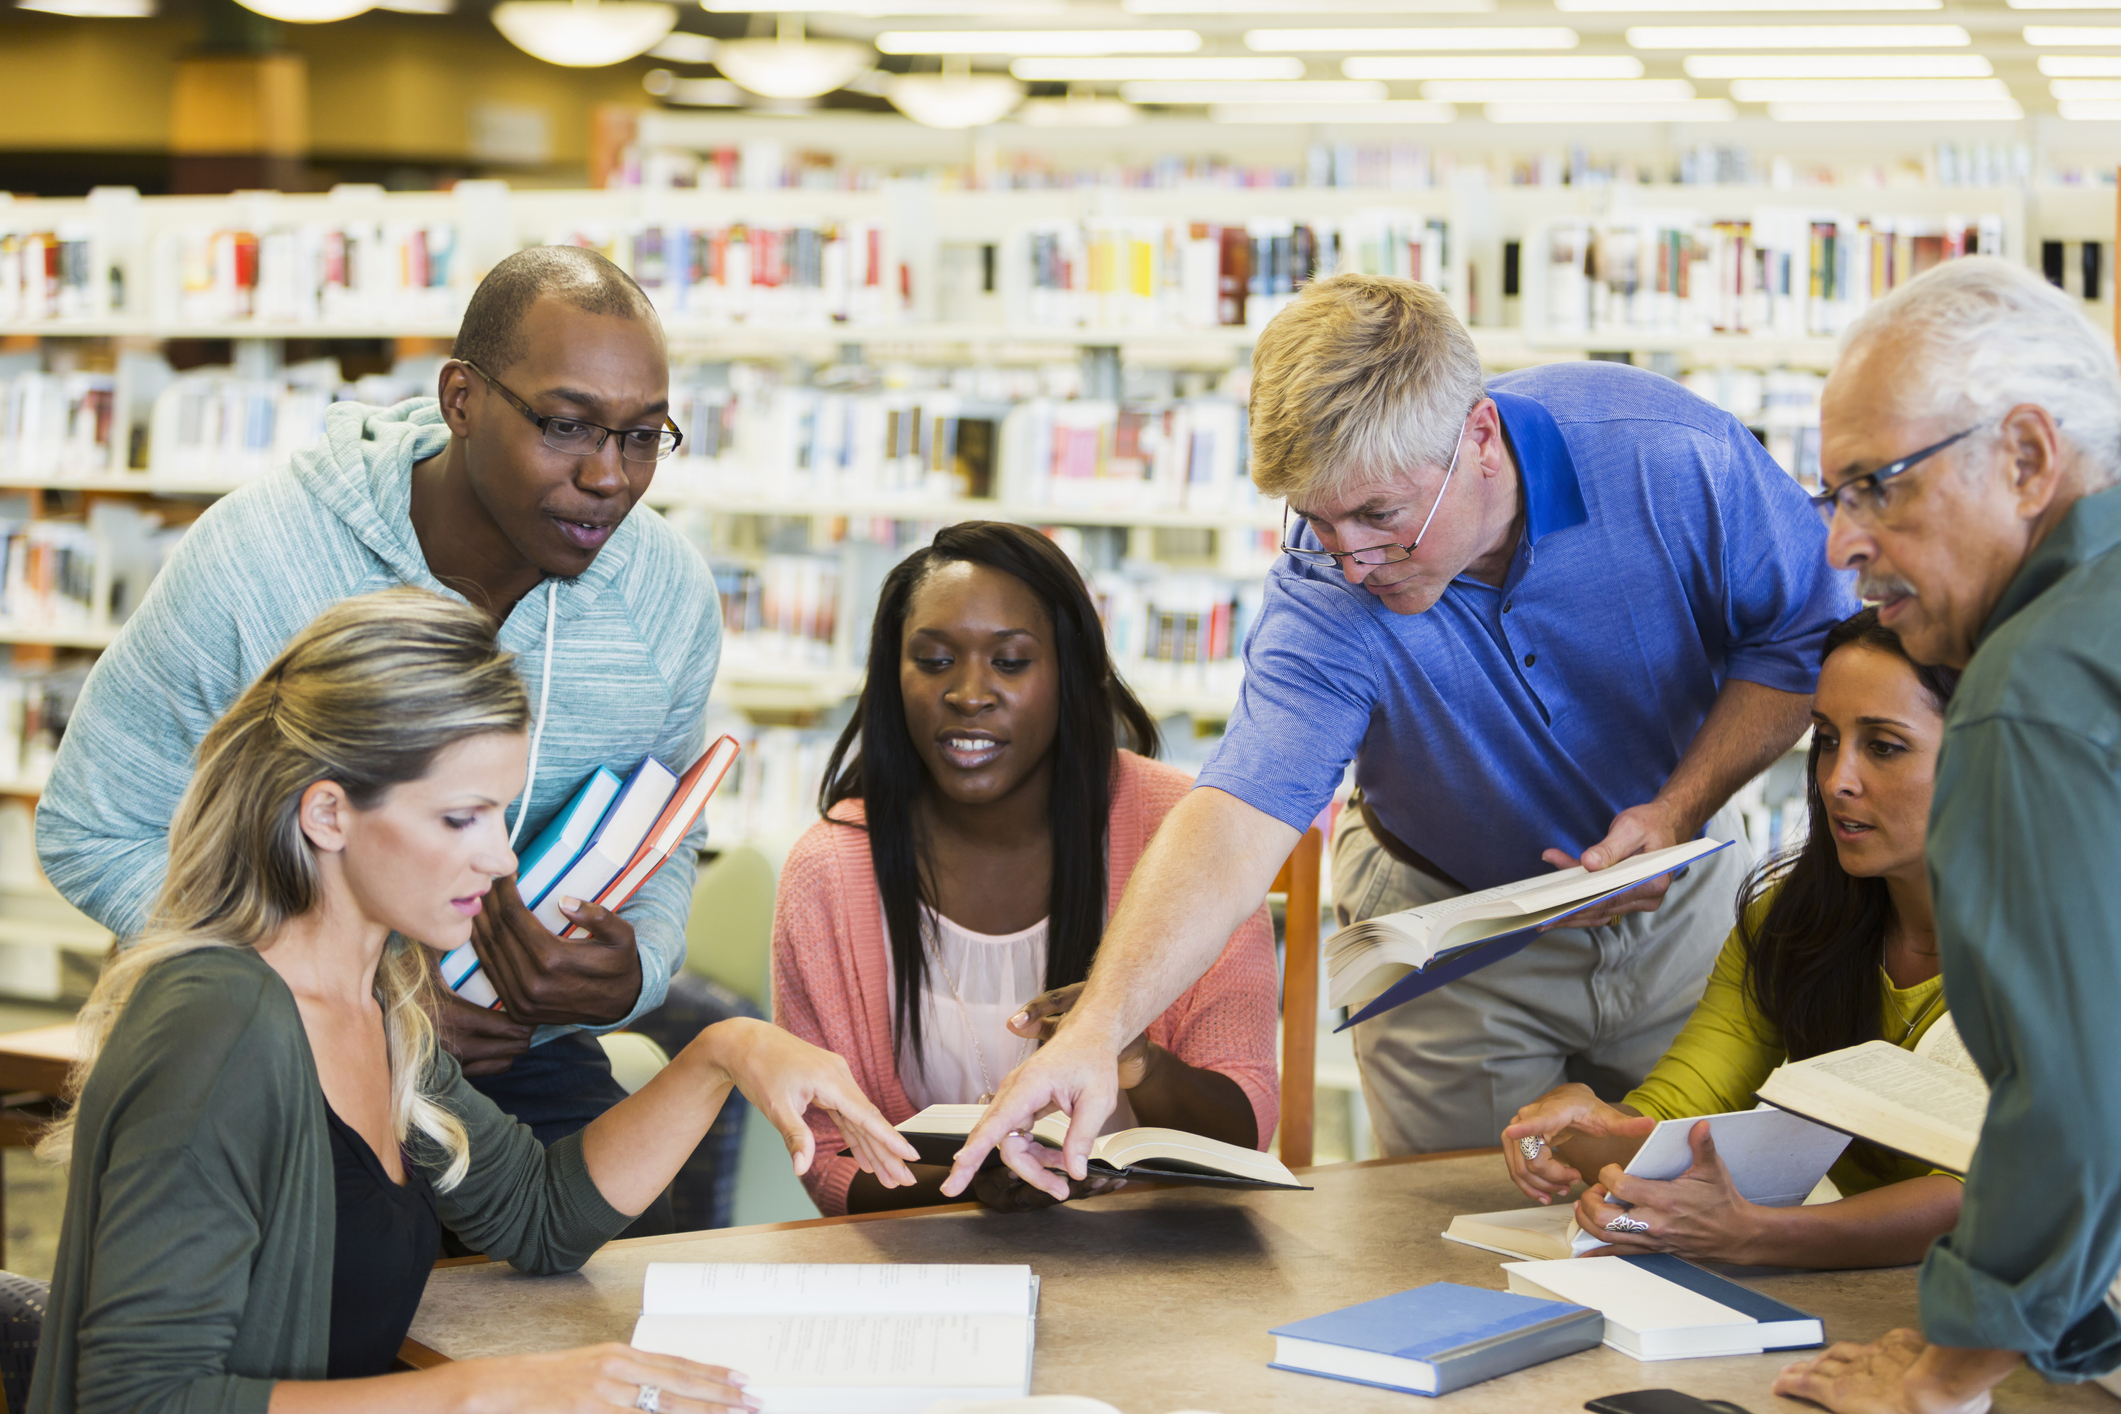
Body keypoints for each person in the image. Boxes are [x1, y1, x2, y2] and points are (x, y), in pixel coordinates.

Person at [944, 272, 1852, 1202]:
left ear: (1481, 439)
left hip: (1679, 903)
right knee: (1470, 1231)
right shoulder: (1322, 587)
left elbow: (1800, 636)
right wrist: (1098, 1027)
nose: (1349, 558)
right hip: (1445, 934)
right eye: (1316, 518)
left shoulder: (1669, 457)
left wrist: (1678, 807)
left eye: (1378, 516)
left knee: (1697, 1198)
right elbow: (1240, 811)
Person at [27, 590, 918, 1414]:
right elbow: (135, 1400)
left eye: (500, 813)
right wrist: (480, 1394)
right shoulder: (215, 1023)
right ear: (328, 814)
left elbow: (540, 1215)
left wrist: (727, 1050)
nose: (500, 860)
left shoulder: (378, 1001)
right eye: (461, 818)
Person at [36, 247, 720, 1233]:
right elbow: (90, 829)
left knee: (622, 1282)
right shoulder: (259, 560)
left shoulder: (666, 597)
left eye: (644, 435)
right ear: (460, 399)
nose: (609, 475)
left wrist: (634, 968)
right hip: (267, 1038)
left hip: (511, 1056)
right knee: (352, 1291)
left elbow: (666, 837)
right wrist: (352, 990)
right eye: (565, 426)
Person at [1764, 265, 2121, 1410]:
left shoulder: (2031, 691)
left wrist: (1943, 1373)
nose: (1841, 546)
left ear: (2024, 457)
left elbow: (2078, 1088)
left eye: (1875, 487)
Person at [773, 521, 1279, 1215]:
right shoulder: (830, 868)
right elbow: (829, 1161)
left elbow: (1245, 1132)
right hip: (938, 1269)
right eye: (933, 660)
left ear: (1071, 675)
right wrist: (976, 1189)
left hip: (1158, 1258)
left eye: (1009, 662)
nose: (969, 693)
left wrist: (1134, 1057)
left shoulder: (1185, 833)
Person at [1500, 608, 1962, 1269]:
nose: (1837, 781)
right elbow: (1681, 1119)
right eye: (1826, 740)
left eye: (1883, 746)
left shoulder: (2071, 944)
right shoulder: (1791, 921)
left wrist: (1752, 1232)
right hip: (1870, 1305)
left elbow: (2001, 1193)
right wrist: (1577, 1130)